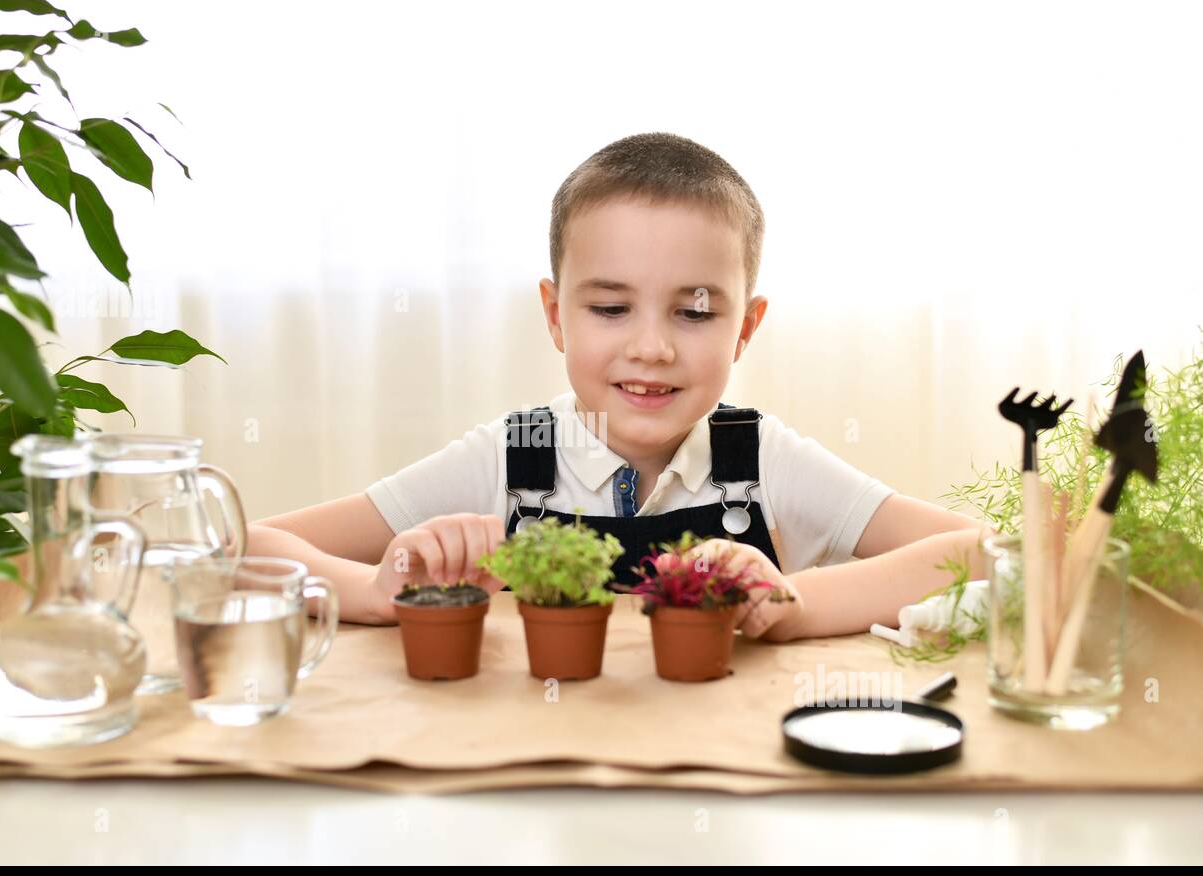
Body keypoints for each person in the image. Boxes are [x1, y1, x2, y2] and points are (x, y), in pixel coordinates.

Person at [248, 132, 992, 640]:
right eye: (610, 308)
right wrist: (379, 590)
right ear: (555, 315)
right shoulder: (512, 456)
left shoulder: (761, 458)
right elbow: (247, 545)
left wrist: (792, 601)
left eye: (695, 311)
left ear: (746, 327)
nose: (652, 347)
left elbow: (986, 549)